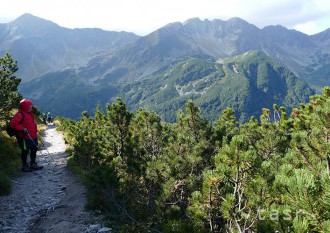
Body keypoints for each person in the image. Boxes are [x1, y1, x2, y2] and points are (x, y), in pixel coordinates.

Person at [10, 99, 43, 172]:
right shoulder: (20, 114)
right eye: (30, 106)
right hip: (25, 137)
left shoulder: (29, 114)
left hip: (33, 136)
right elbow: (13, 124)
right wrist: (22, 128)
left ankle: (33, 164)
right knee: (25, 151)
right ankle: (24, 165)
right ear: (25, 106)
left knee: (34, 149)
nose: (31, 107)